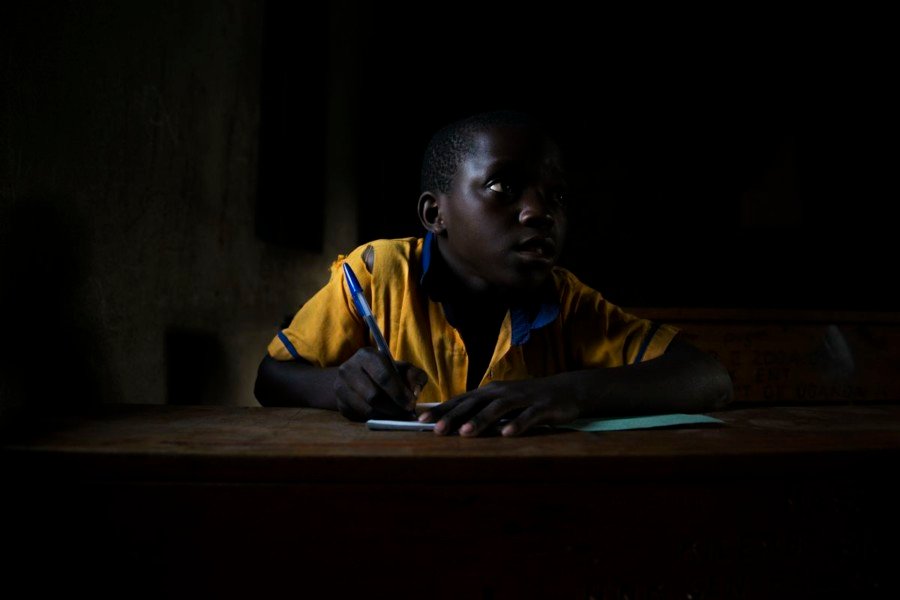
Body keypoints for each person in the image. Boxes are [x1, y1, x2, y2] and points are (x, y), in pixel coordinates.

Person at [254, 111, 733, 436]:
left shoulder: (567, 302)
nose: (539, 213)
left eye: (557, 196)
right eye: (503, 186)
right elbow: (271, 376)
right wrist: (339, 384)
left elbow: (707, 377)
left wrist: (565, 393)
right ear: (434, 214)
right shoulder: (377, 275)